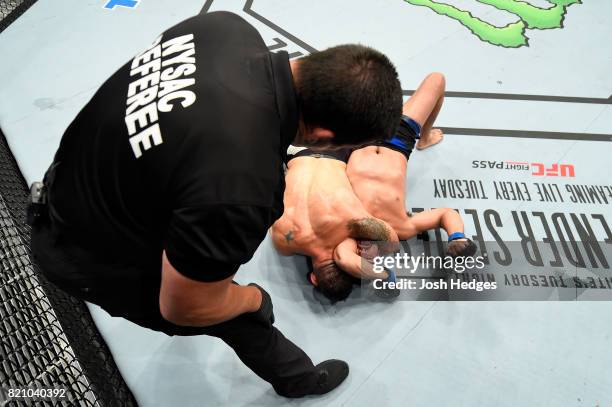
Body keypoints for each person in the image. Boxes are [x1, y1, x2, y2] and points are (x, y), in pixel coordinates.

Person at [28, 10, 403, 398]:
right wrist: (253, 298)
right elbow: (186, 307)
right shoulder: (243, 182)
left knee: (219, 286)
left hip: (78, 181)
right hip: (81, 252)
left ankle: (292, 372)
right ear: (324, 136)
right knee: (233, 309)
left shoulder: (224, 26)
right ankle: (298, 380)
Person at [336, 73, 477, 275]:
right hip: (398, 140)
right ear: (383, 252)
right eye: (368, 255)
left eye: (360, 253)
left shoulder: (348, 229)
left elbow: (344, 257)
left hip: (361, 137)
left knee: (350, 77)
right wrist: (457, 237)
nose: (362, 251)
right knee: (437, 80)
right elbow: (447, 213)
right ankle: (425, 137)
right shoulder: (402, 228)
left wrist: (380, 276)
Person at [271, 148, 399, 302]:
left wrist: (384, 275)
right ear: (314, 278)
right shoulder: (283, 243)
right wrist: (344, 253)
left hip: (336, 149)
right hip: (295, 152)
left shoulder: (352, 223)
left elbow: (392, 241)